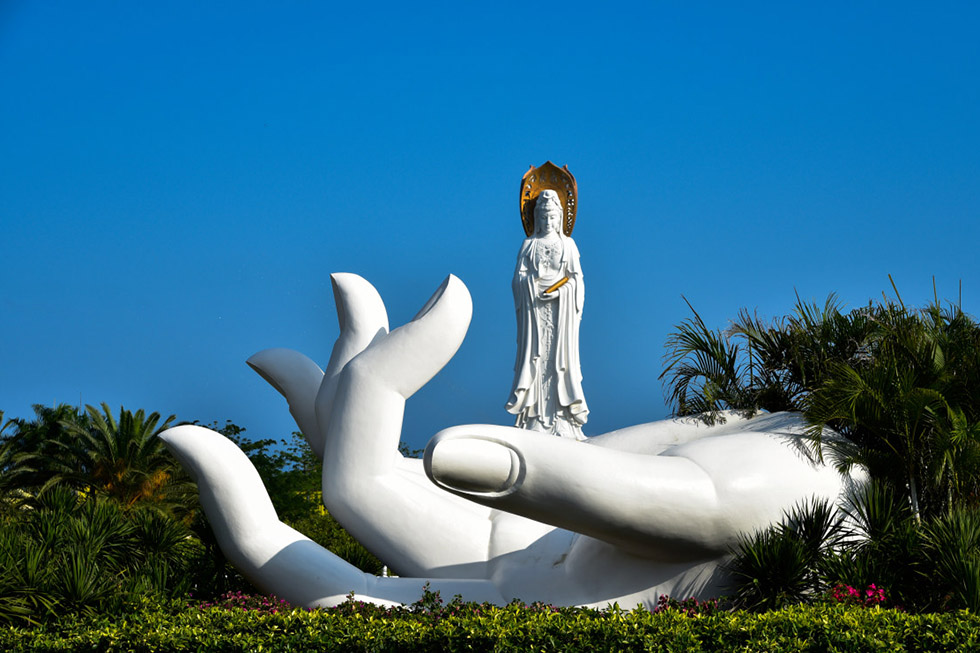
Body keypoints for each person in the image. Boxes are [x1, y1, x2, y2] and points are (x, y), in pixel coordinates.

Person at [506, 189, 589, 439]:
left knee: (558, 361)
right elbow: (517, 279)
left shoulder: (568, 245)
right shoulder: (529, 245)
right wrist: (530, 285)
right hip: (534, 311)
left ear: (561, 217)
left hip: (560, 312)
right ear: (536, 218)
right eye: (543, 217)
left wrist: (563, 291)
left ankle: (561, 419)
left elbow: (577, 281)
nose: (548, 222)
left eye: (552, 217)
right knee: (536, 359)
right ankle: (534, 418)